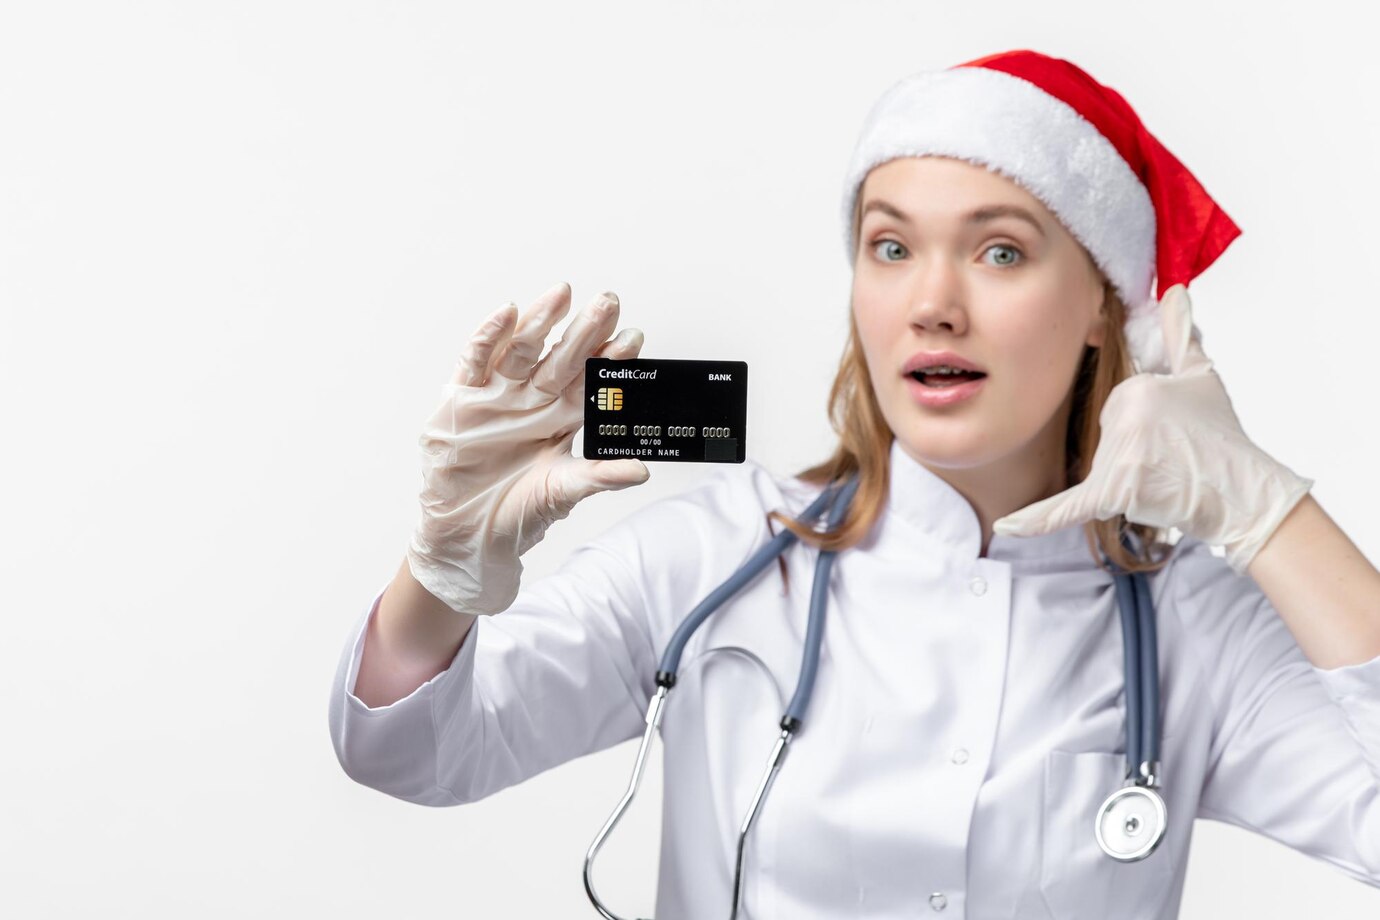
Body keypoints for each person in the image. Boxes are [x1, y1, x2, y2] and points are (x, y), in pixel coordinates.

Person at [328, 49, 1380, 918]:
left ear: (1106, 305)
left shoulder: (1191, 623)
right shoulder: (716, 555)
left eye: (1000, 252)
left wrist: (1267, 507)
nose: (932, 302)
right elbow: (413, 750)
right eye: (890, 245)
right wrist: (443, 570)